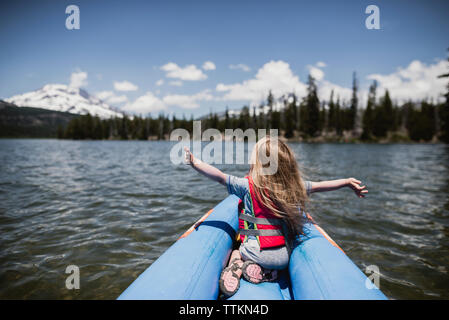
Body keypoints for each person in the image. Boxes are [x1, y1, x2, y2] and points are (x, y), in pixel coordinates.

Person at [184, 136, 368, 298]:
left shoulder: (248, 186)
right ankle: (268, 273)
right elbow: (321, 185)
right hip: (283, 259)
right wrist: (346, 182)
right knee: (272, 253)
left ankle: (237, 265)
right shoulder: (294, 188)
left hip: (255, 253)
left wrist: (194, 162)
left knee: (237, 250)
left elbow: (220, 177)